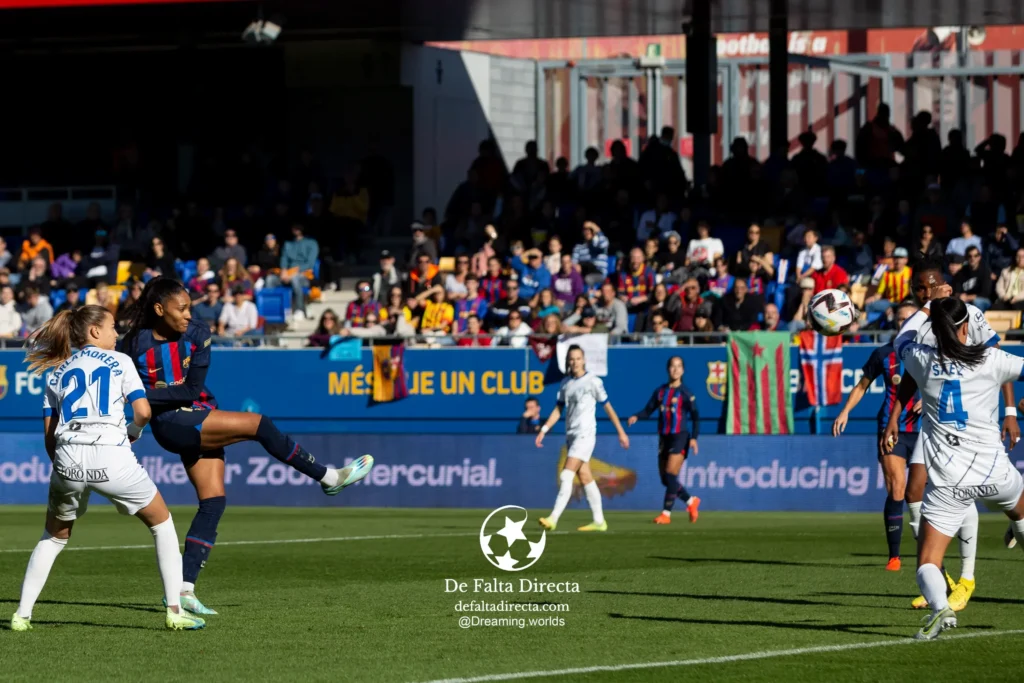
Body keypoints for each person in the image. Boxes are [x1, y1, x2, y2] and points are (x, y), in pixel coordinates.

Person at [118, 277, 374, 615]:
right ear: (159, 309)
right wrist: (135, 418)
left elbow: (191, 390)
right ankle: (328, 477)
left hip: (197, 413)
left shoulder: (197, 333)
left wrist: (140, 397)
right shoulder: (133, 344)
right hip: (171, 424)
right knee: (259, 424)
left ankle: (185, 589)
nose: (188, 314)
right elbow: (116, 385)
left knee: (213, 501)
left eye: (190, 307)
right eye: (181, 309)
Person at [11, 305, 204, 631]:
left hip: (68, 457)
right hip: (111, 455)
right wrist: (133, 432)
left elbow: (49, 437)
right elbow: (143, 411)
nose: (117, 333)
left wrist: (65, 472)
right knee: (162, 523)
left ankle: (22, 615)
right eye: (112, 326)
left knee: (53, 537)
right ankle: (174, 611)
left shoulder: (56, 373)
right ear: (95, 331)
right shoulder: (121, 361)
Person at [882, 297, 1024, 640]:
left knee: (927, 562)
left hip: (950, 483)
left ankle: (940, 609)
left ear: (934, 329)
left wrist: (927, 306)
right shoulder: (991, 359)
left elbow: (903, 338)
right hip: (997, 473)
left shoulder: (921, 360)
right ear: (966, 327)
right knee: (1020, 515)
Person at [832, 302, 921, 570]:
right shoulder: (883, 354)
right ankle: (894, 556)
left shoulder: (931, 352)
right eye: (901, 319)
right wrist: (845, 411)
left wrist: (930, 401)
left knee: (920, 493)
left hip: (925, 429)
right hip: (890, 428)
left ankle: (927, 548)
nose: (906, 323)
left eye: (911, 318)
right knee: (897, 488)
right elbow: (862, 386)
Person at [535, 345, 629, 532]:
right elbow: (558, 409)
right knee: (585, 477)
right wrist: (544, 429)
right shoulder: (566, 383)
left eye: (578, 358)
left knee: (566, 474)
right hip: (571, 435)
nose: (575, 362)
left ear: (584, 360)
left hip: (585, 435)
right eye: (572, 359)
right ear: (568, 361)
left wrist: (621, 431)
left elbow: (608, 407)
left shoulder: (593, 381)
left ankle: (553, 518)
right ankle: (599, 521)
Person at [626, 356, 701, 524]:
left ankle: (666, 514)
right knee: (665, 479)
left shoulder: (686, 393)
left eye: (679, 366)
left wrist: (694, 438)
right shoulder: (660, 392)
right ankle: (691, 501)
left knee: (670, 473)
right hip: (664, 437)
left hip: (680, 436)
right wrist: (636, 416)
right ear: (668, 369)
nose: (675, 369)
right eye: (673, 366)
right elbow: (648, 410)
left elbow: (696, 417)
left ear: (683, 370)